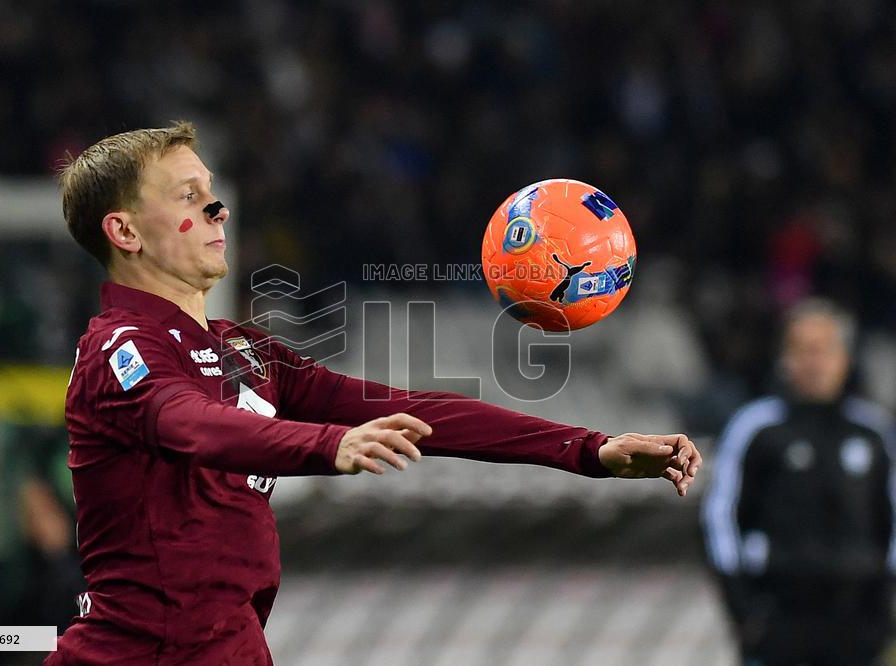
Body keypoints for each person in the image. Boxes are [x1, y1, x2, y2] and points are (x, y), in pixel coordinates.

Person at [48, 122, 702, 665]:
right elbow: (190, 423)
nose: (217, 208)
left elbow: (415, 411)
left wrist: (588, 448)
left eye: (212, 191)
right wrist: (328, 444)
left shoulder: (244, 350)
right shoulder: (117, 348)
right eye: (188, 196)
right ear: (125, 233)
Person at [702, 299, 895, 665]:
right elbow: (720, 518)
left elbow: (891, 518)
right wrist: (744, 609)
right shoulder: (755, 428)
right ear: (784, 358)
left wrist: (883, 605)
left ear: (844, 358)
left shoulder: (873, 431)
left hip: (858, 617)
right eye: (803, 350)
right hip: (779, 614)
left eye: (824, 349)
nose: (814, 362)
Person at [0, 477, 85, 665]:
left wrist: (58, 557)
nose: (38, 523)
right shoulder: (5, 574)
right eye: (29, 514)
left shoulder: (89, 571)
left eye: (45, 511)